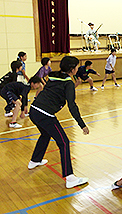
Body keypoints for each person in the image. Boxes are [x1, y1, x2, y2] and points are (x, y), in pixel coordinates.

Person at [28, 56, 89, 189]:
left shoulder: (54, 77)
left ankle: (35, 160)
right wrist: (82, 124)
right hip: (45, 115)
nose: (78, 68)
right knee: (64, 142)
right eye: (77, 67)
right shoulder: (68, 83)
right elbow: (72, 105)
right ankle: (70, 178)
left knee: (45, 134)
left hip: (34, 110)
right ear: (72, 69)